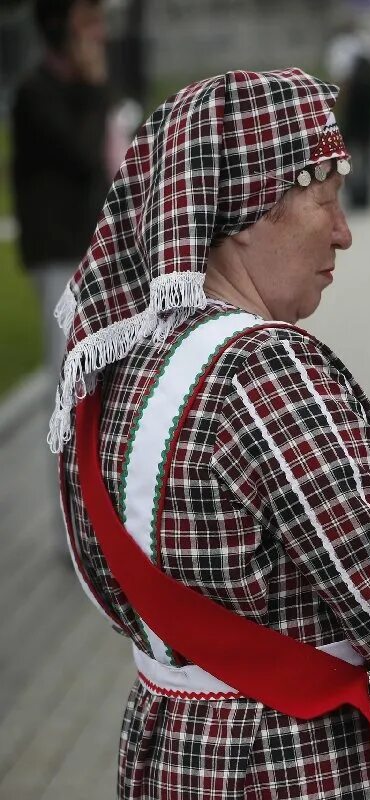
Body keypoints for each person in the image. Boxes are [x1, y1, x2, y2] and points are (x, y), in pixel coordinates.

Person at [49, 69, 370, 799]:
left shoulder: (124, 363)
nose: (345, 232)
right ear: (251, 208)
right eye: (326, 199)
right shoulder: (263, 367)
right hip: (284, 761)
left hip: (172, 748)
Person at [13, 0, 110, 547]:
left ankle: (98, 517)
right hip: (58, 259)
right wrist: (96, 89)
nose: (99, 35)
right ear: (61, 32)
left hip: (87, 253)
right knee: (66, 389)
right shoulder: (36, 94)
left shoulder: (75, 89)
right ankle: (70, 533)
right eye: (87, 25)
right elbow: (80, 152)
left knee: (98, 384)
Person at [326, 24, 370, 210]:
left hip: (351, 111)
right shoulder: (367, 42)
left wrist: (334, 109)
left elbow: (340, 82)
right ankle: (367, 193)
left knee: (347, 152)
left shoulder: (339, 47)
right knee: (368, 151)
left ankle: (352, 192)